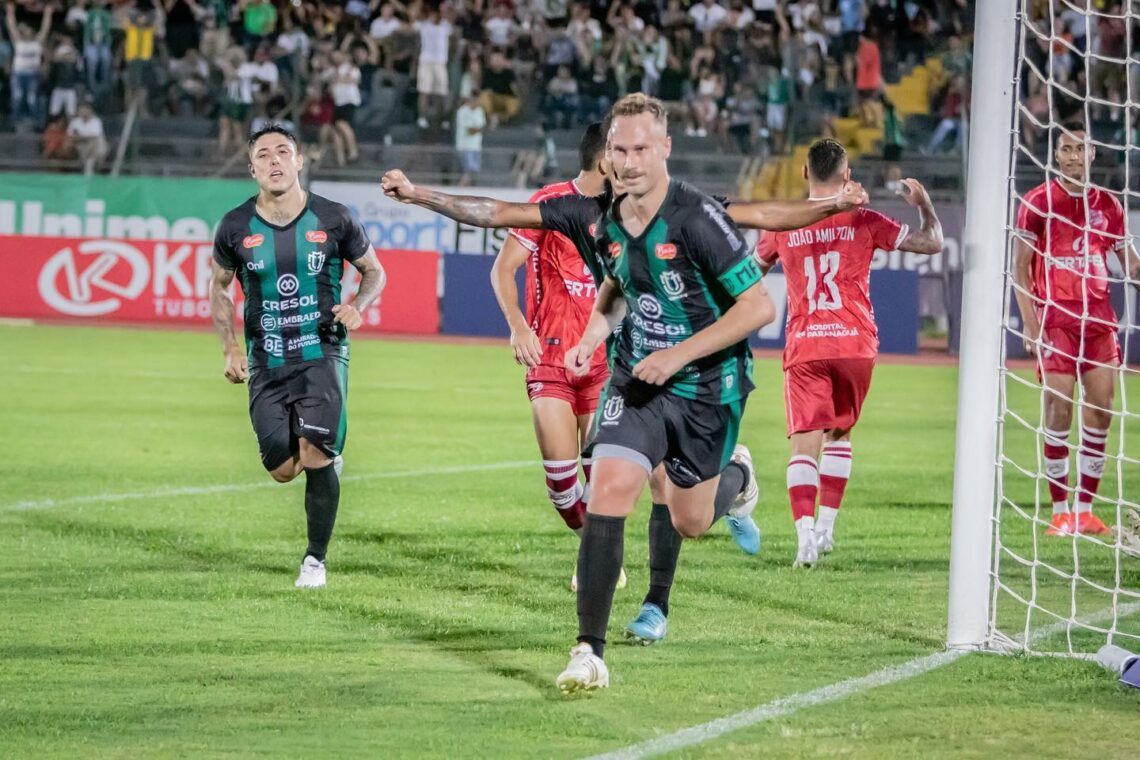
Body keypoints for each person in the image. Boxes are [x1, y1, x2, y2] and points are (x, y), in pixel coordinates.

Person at [381, 94, 869, 692]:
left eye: (642, 148)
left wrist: (679, 354)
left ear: (664, 148)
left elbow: (759, 306)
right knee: (609, 488)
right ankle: (588, 650)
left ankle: (736, 484)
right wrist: (420, 195)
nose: (631, 160)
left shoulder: (697, 218)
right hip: (636, 379)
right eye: (621, 149)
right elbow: (501, 214)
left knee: (691, 520)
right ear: (607, 155)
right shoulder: (595, 216)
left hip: (707, 389)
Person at [208, 125, 386, 588]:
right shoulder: (234, 226)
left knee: (315, 453)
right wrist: (230, 347)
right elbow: (221, 289)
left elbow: (373, 272)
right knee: (284, 470)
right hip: (266, 358)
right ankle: (324, 460)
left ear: (299, 161)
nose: (274, 161)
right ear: (252, 170)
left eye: (282, 152)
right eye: (263, 155)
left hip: (321, 351)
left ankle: (314, 561)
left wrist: (357, 306)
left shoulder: (334, 217)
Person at [756, 138, 943, 568]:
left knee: (804, 445)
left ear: (804, 173)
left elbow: (749, 272)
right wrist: (926, 205)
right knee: (839, 434)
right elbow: (932, 243)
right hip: (855, 343)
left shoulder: (782, 223)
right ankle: (826, 530)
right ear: (847, 175)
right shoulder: (865, 219)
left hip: (806, 343)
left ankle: (804, 536)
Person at [489, 123, 633, 592]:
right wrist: (517, 326)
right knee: (562, 486)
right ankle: (595, 545)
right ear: (603, 159)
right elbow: (503, 268)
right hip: (550, 357)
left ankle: (597, 557)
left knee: (602, 477)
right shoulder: (552, 202)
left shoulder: (626, 211)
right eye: (621, 154)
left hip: (602, 363)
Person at [1014, 124, 1140, 537]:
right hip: (1056, 321)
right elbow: (1019, 270)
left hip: (1099, 322)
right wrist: (1031, 325)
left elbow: (1131, 264)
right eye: (1065, 149)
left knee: (1102, 408)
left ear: (1092, 155)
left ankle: (1085, 511)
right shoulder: (1037, 203)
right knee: (1058, 407)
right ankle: (1059, 510)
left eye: (1080, 148)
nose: (1072, 155)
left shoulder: (1109, 206)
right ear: (1055, 156)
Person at [6, 1, 54, 124]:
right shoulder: (18, 42)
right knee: (17, 97)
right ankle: (15, 120)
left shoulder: (37, 42)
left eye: (26, 29)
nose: (24, 31)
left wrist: (47, 14)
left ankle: (35, 120)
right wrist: (10, 12)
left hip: (33, 74)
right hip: (18, 73)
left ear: (31, 31)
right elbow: (11, 27)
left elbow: (45, 28)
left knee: (32, 99)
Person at [454, 92, 486, 186]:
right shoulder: (462, 111)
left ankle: (469, 188)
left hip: (476, 146)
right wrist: (483, 128)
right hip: (464, 146)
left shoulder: (480, 111)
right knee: (467, 170)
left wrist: (481, 129)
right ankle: (460, 187)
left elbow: (481, 126)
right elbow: (470, 130)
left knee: (473, 172)